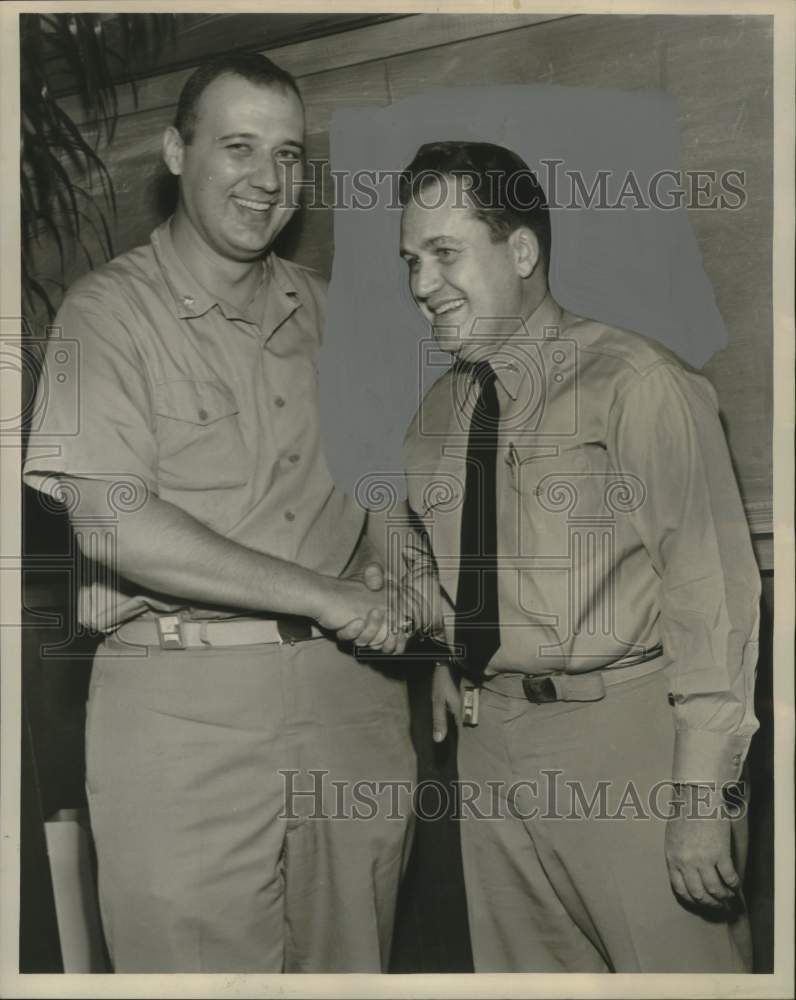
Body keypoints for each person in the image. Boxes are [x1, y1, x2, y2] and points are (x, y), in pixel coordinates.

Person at [22, 52, 419, 973]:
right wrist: (328, 594)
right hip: (182, 718)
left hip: (351, 705)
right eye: (238, 147)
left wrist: (404, 568)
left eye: (288, 155)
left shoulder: (335, 314)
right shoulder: (104, 316)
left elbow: (381, 476)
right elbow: (112, 523)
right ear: (174, 151)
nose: (270, 180)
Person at [398, 141, 760, 972]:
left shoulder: (636, 384)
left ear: (520, 251)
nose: (421, 286)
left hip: (629, 739)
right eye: (412, 260)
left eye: (446, 253)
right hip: (491, 752)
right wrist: (447, 656)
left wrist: (702, 792)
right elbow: (434, 546)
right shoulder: (434, 416)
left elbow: (716, 594)